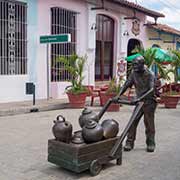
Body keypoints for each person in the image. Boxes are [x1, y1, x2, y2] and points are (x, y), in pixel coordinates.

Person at [113, 55, 157, 152]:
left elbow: (151, 90)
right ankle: (129, 143)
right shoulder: (134, 73)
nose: (134, 67)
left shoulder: (150, 74)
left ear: (142, 64)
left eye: (136, 65)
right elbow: (127, 84)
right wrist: (118, 95)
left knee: (149, 124)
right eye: (133, 65)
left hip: (149, 102)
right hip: (139, 101)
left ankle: (150, 143)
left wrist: (138, 99)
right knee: (132, 122)